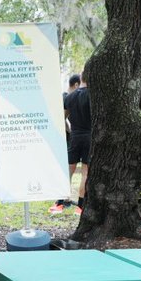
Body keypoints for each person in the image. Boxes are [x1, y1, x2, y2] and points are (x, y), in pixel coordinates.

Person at [53, 77, 91, 215]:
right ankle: (80, 207)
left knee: (69, 170)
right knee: (85, 172)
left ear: (81, 80)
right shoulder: (93, 96)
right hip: (89, 137)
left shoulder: (70, 97)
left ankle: (60, 203)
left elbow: (61, 119)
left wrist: (71, 131)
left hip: (75, 136)